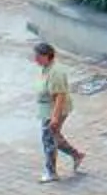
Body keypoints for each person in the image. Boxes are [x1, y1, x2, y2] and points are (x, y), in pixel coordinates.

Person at [33, 41, 84, 181]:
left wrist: (55, 118)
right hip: (47, 110)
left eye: (38, 56)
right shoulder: (47, 67)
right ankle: (76, 155)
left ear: (46, 56)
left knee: (48, 139)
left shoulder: (55, 72)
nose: (35, 59)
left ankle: (51, 172)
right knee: (54, 137)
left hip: (54, 111)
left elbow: (59, 97)